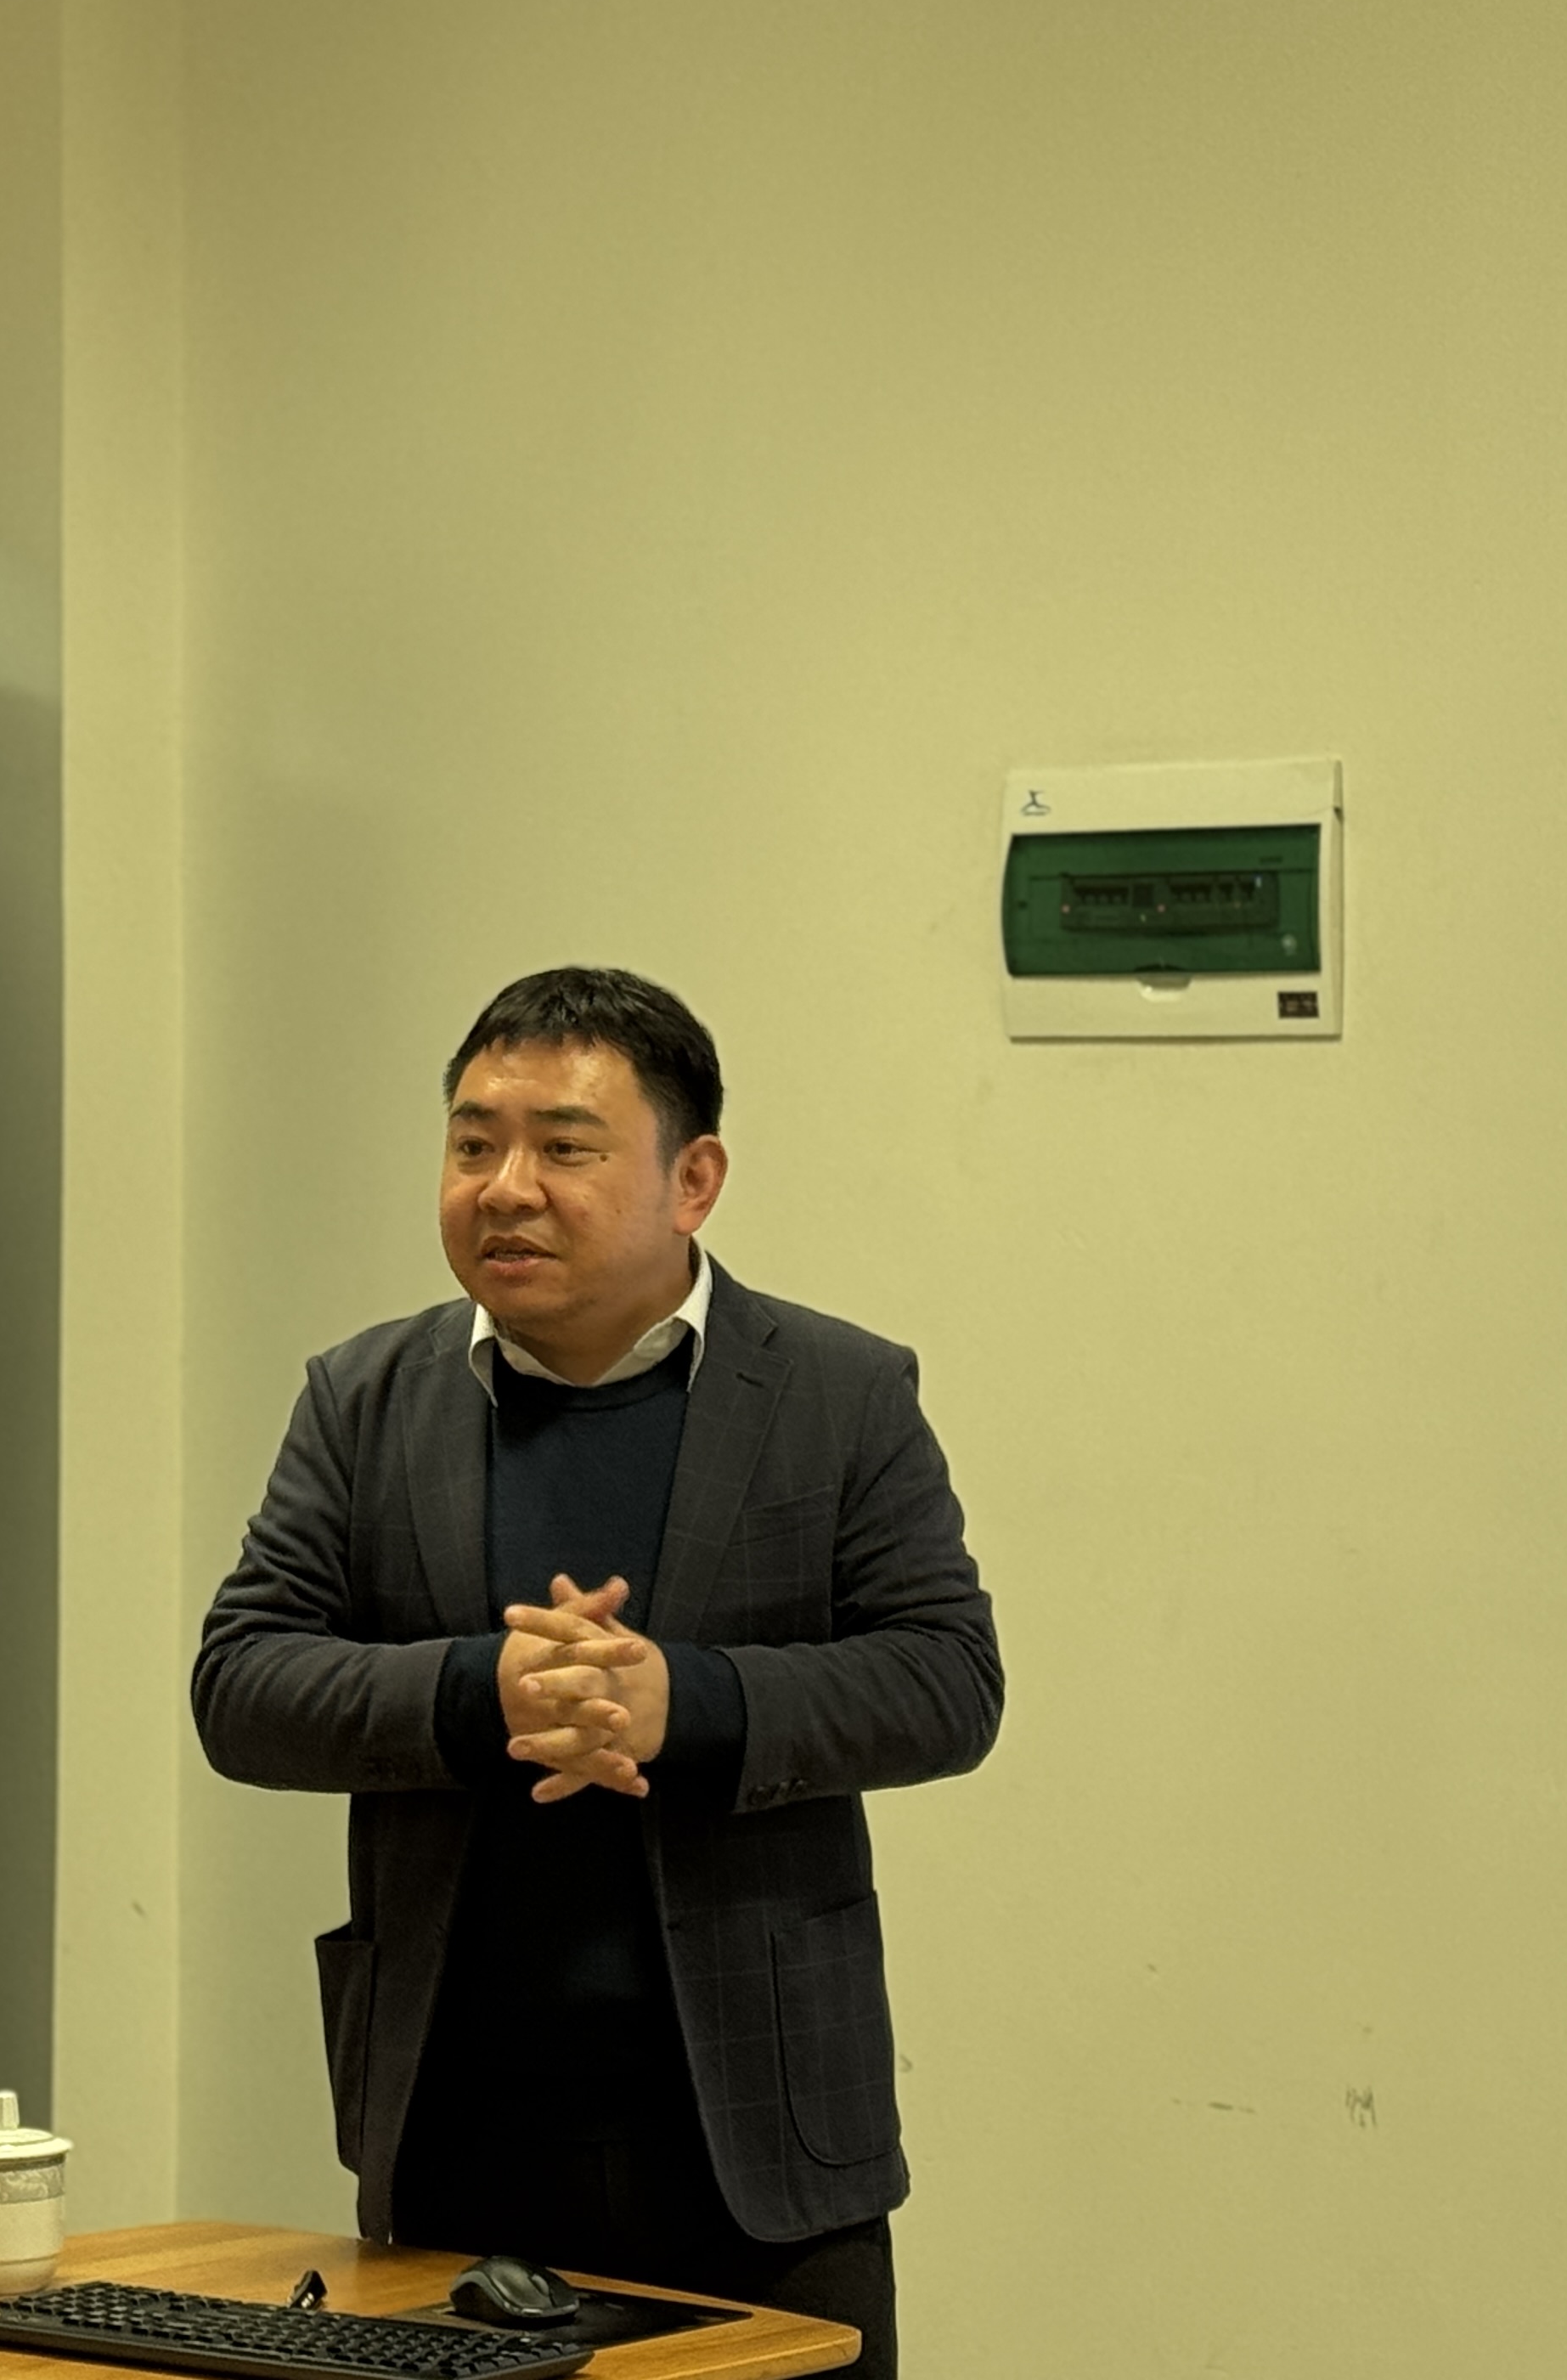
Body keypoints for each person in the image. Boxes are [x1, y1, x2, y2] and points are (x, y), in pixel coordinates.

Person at [192, 967, 1002, 2378]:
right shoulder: (363, 1399)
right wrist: (482, 1696)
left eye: (563, 1148)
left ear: (694, 1181)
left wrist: (691, 1705)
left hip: (764, 2146)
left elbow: (947, 1677)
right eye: (473, 1144)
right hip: (455, 2134)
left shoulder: (838, 1392)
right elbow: (244, 1683)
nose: (506, 1189)